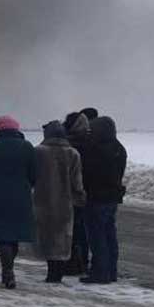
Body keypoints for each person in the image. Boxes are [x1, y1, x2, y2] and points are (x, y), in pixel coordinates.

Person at [0, 115, 36, 289]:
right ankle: (8, 269)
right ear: (17, 129)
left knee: (1, 233)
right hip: (20, 194)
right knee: (14, 233)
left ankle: (7, 269)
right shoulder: (27, 147)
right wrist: (26, 186)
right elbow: (34, 174)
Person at [33, 121, 85, 283]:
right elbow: (77, 181)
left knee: (46, 236)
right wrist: (80, 197)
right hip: (65, 203)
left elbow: (32, 176)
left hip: (42, 201)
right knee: (62, 239)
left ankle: (51, 272)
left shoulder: (38, 152)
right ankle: (57, 274)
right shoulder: (72, 153)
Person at [81, 116, 127, 284]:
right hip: (112, 197)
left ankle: (100, 273)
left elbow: (87, 173)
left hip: (96, 197)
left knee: (97, 237)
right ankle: (111, 271)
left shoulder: (95, 149)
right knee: (109, 235)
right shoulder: (119, 148)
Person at [63, 112, 91, 275]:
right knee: (82, 230)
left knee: (71, 230)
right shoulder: (91, 142)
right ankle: (83, 262)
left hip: (70, 192)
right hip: (85, 191)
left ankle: (71, 263)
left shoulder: (70, 145)